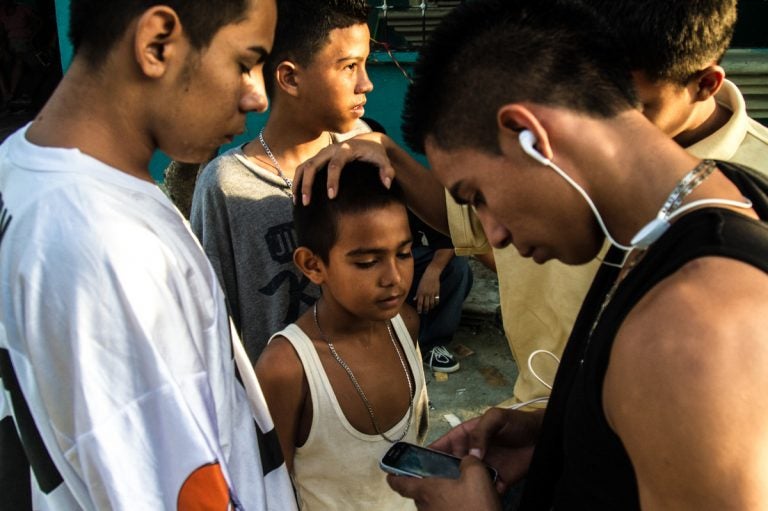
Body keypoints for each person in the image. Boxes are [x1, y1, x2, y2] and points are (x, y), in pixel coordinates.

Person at [299, 0, 768, 507]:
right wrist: (557, 429)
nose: (493, 236)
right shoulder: (723, 200)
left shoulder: (686, 333)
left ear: (531, 134)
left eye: (477, 194)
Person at [0, 1, 298, 508]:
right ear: (157, 44)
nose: (257, 96)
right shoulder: (108, 247)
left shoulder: (21, 167)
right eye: (245, 62)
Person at [190, 0, 373, 362]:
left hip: (364, 387)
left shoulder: (362, 152)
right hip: (277, 402)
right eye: (350, 66)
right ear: (290, 77)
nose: (365, 83)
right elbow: (209, 319)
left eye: (365, 64)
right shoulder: (226, 185)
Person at [256, 162, 428, 510]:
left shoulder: (404, 324)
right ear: (312, 265)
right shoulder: (288, 368)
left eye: (405, 253)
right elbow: (268, 493)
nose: (393, 277)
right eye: (367, 262)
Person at [407, 210, 472, 373]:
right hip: (363, 263)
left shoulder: (409, 192)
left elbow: (448, 238)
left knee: (457, 267)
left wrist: (433, 272)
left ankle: (431, 343)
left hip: (405, 258)